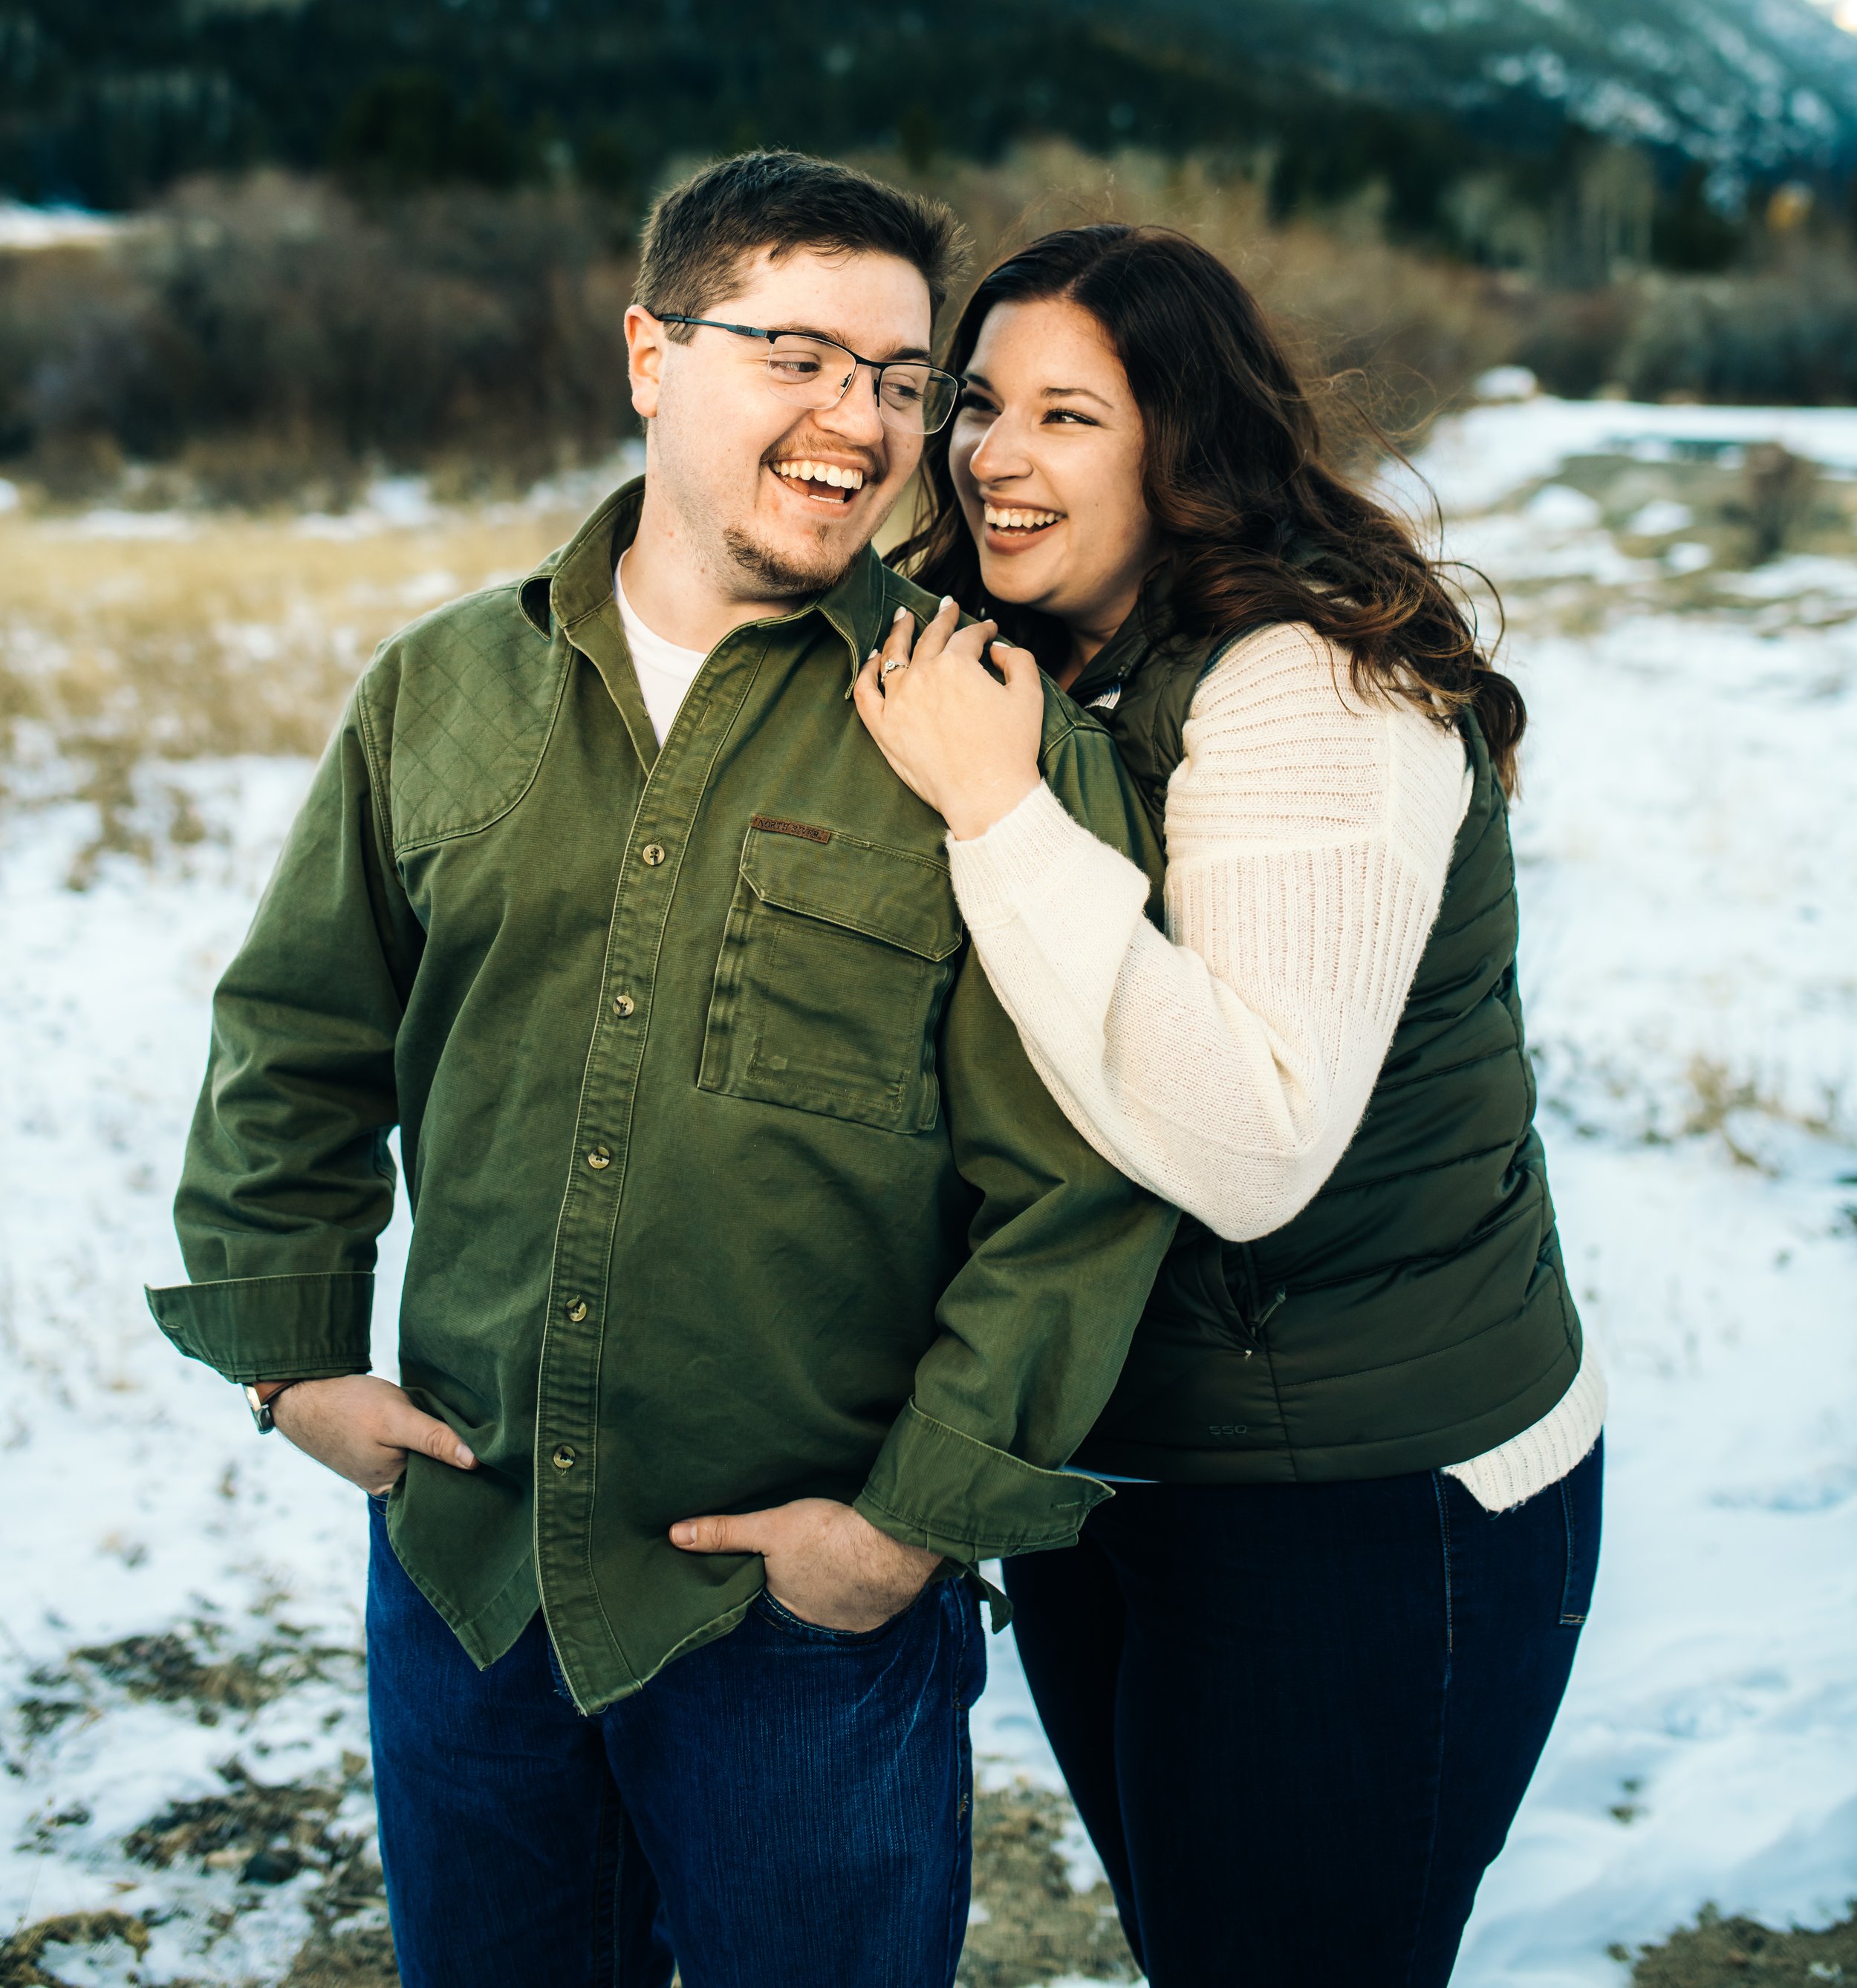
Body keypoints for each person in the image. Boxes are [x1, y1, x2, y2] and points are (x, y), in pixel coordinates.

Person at [148, 156, 1177, 1988]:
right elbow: (296, 1038)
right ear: (649, 352)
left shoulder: (975, 730)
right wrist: (288, 1359)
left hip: (794, 1619)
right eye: (797, 354)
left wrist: (898, 1530)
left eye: (894, 379)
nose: (856, 422)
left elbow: (1079, 1182)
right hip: (469, 1576)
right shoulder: (440, 690)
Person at [855, 221, 1604, 1988]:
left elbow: (1256, 1145)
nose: (991, 457)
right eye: (975, 404)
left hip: (1357, 1499)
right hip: (1128, 1462)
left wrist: (996, 817)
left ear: (1184, 442)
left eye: (1067, 416)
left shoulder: (1309, 690)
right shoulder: (1057, 662)